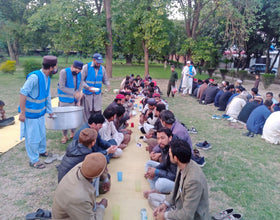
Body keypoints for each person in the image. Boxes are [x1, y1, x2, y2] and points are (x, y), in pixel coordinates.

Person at [150, 139, 209, 220]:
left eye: (170, 154)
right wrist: (165, 204)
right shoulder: (183, 164)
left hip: (190, 215)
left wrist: (165, 216)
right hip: (178, 203)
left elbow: (187, 215)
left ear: (176, 158)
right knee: (152, 198)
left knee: (161, 216)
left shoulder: (193, 181)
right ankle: (170, 211)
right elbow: (176, 189)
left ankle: (170, 213)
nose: (169, 155)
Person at [19, 55, 57, 169]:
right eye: (55, 66)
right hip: (30, 115)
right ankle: (34, 160)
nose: (56, 68)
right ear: (51, 67)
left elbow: (47, 96)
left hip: (40, 113)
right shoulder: (34, 77)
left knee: (41, 135)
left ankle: (42, 151)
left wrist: (50, 111)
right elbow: (23, 93)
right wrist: (22, 113)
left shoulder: (47, 79)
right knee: (33, 137)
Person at [52, 153, 108, 220]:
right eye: (105, 169)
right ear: (96, 175)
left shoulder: (82, 166)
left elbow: (98, 170)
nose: (107, 170)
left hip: (75, 208)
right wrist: (102, 206)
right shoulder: (79, 197)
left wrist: (105, 180)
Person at [144, 128, 177, 197]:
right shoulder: (165, 145)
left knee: (160, 183)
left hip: (178, 181)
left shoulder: (175, 149)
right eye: (158, 138)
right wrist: (153, 170)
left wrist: (157, 172)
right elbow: (165, 163)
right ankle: (155, 189)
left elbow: (174, 176)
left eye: (162, 138)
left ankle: (157, 189)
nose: (159, 141)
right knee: (149, 164)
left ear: (170, 138)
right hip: (168, 171)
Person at [57, 60, 84, 144]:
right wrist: (74, 93)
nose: (77, 72)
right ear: (72, 66)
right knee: (64, 119)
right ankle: (65, 136)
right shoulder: (63, 72)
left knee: (74, 118)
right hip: (64, 100)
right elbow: (61, 87)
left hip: (75, 100)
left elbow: (79, 88)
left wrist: (78, 99)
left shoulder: (80, 74)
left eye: (79, 70)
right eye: (76, 70)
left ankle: (73, 133)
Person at [80, 53, 111, 122]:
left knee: (97, 110)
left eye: (100, 63)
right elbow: (81, 80)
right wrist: (87, 87)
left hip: (97, 94)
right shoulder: (86, 67)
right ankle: (88, 126)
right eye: (97, 62)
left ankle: (97, 125)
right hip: (87, 94)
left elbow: (105, 79)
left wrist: (108, 85)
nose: (99, 64)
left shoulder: (102, 68)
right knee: (88, 111)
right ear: (93, 60)